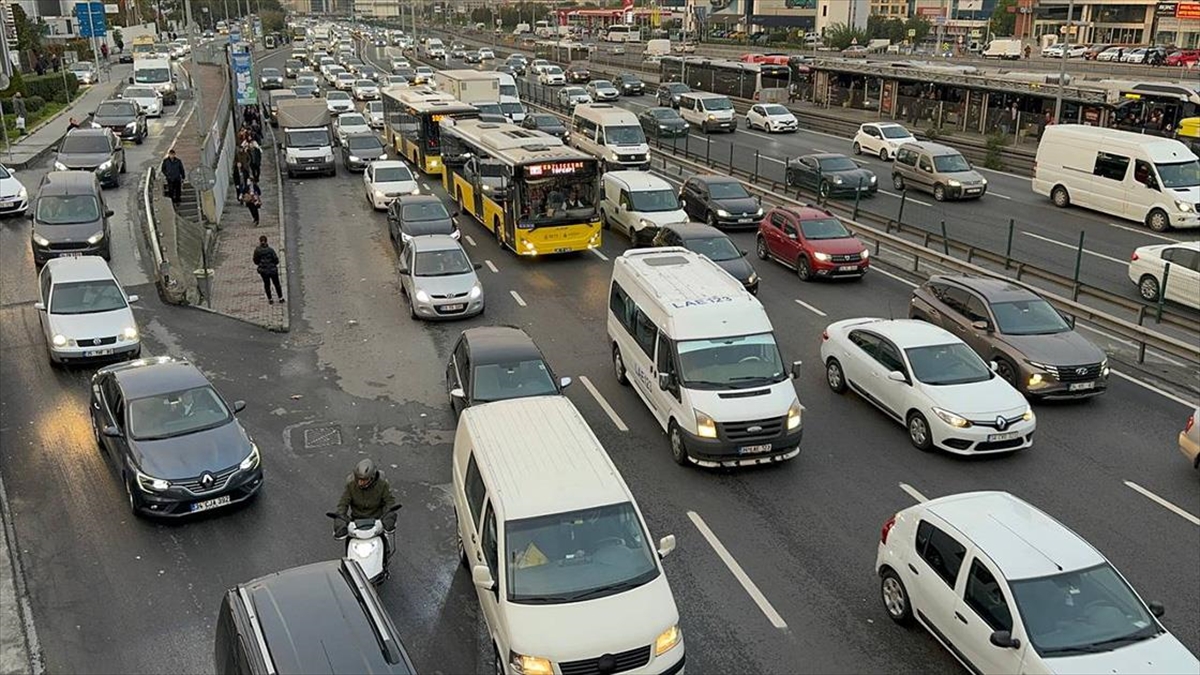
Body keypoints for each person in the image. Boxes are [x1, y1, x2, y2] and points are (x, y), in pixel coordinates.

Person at [333, 459, 398, 560]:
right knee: (348, 544)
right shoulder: (351, 485)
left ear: (372, 478)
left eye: (364, 480)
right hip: (357, 522)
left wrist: (389, 517)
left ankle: (384, 562)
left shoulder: (382, 485)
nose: (360, 482)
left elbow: (389, 501)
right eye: (358, 479)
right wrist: (340, 518)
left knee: (385, 547)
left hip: (376, 521)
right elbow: (343, 503)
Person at [253, 235, 284, 304]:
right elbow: (276, 260)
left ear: (260, 241)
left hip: (264, 271)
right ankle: (280, 298)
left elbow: (255, 260)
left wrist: (260, 264)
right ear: (266, 241)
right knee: (277, 284)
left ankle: (270, 299)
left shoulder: (257, 251)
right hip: (272, 269)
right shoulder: (270, 250)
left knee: (267, 284)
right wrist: (273, 264)